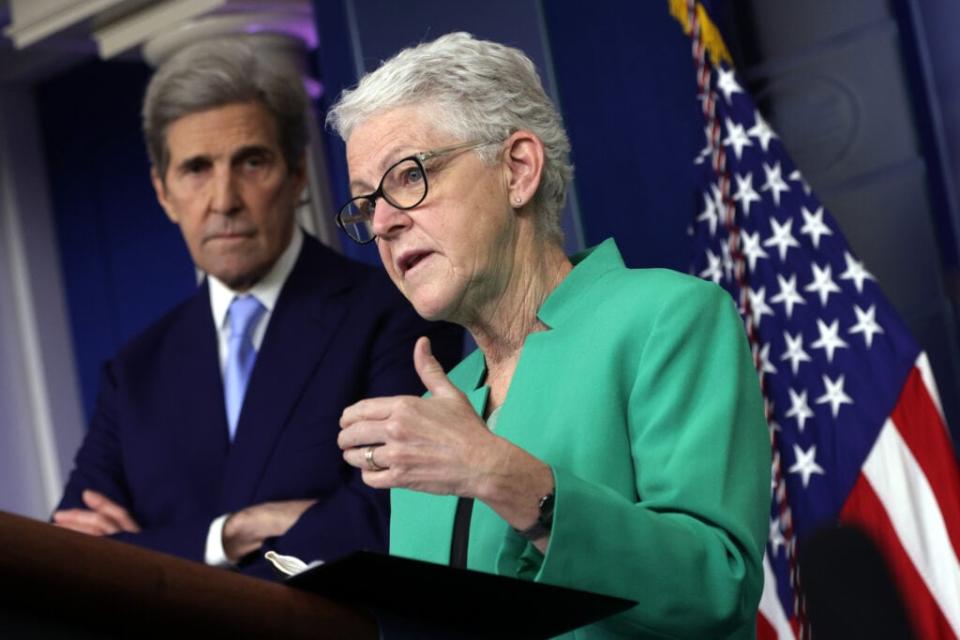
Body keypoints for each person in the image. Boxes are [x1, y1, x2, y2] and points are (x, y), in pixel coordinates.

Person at [331, 32, 769, 638]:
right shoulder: (433, 414)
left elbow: (717, 587)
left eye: (408, 177)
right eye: (364, 203)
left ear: (518, 169)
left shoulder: (668, 319)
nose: (381, 222)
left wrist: (499, 474)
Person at [52, 37, 463, 581]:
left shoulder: (395, 312)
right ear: (163, 192)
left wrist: (151, 550)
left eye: (251, 162)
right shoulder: (134, 373)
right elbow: (78, 558)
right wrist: (232, 533)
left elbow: (392, 517)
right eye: (196, 169)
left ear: (296, 176)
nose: (224, 200)